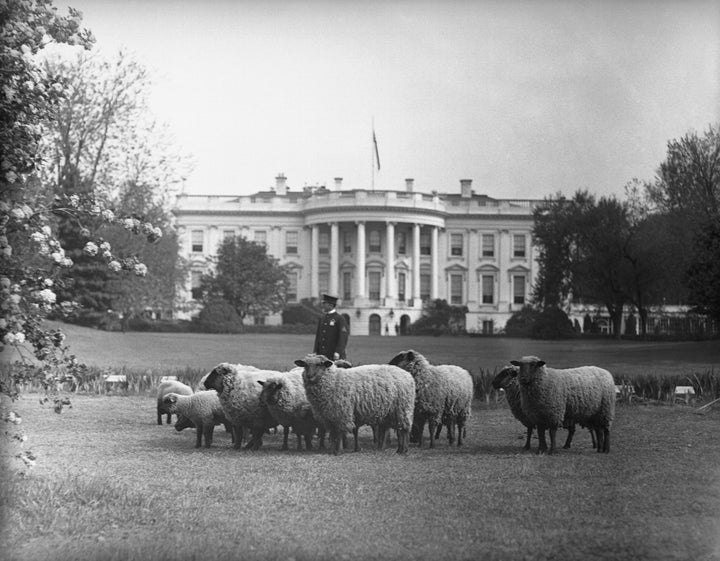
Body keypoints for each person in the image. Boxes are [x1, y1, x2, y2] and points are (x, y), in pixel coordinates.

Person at [313, 293, 349, 360]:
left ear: (331, 305)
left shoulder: (339, 319)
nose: (322, 305)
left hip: (334, 355)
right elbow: (318, 336)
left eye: (324, 303)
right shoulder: (322, 318)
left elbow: (343, 337)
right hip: (322, 355)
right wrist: (315, 351)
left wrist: (338, 352)